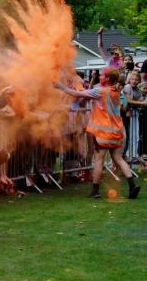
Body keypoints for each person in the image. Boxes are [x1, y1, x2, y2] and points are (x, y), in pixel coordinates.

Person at [56, 67, 141, 199]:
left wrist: (60, 86)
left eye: (101, 75)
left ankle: (95, 191)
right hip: (117, 132)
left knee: (99, 160)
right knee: (118, 159)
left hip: (103, 133)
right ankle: (132, 186)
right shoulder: (116, 91)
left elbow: (76, 94)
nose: (99, 76)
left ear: (107, 78)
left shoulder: (100, 91)